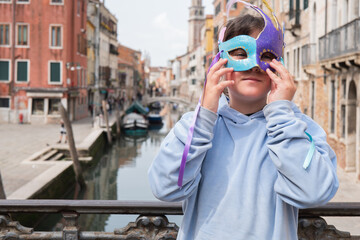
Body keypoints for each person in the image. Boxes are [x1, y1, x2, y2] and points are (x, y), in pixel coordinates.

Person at [148, 1, 338, 239]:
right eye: (241, 54)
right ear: (221, 61)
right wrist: (205, 114)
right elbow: (165, 188)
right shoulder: (195, 126)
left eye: (267, 55)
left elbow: (315, 191)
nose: (255, 65)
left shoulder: (299, 128)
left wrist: (281, 113)